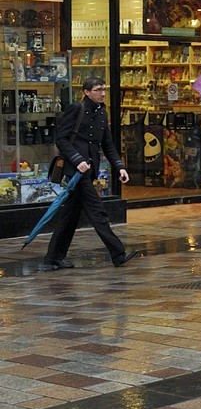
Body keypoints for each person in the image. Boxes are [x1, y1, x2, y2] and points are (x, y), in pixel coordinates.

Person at [43, 77, 137, 270]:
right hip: (75, 171)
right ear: (86, 92)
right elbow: (61, 139)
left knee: (70, 216)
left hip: (90, 170)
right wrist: (77, 160)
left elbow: (107, 144)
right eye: (97, 90)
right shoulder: (76, 109)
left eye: (104, 89)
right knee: (97, 211)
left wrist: (119, 166)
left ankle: (53, 257)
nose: (102, 93)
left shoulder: (102, 112)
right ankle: (118, 254)